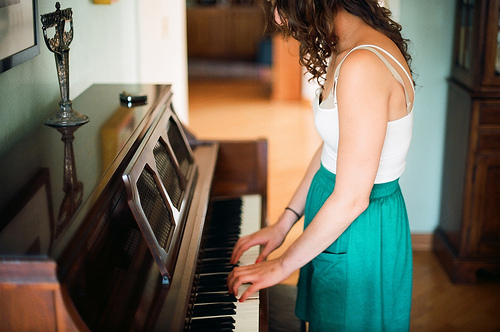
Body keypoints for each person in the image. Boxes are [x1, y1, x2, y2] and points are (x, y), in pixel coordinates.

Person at [227, 0, 414, 330]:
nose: (276, 16)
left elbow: (353, 198)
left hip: (357, 227)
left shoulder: (363, 64)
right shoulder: (348, 48)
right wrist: (285, 222)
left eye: (280, 4)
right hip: (335, 214)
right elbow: (333, 148)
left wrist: (283, 265)